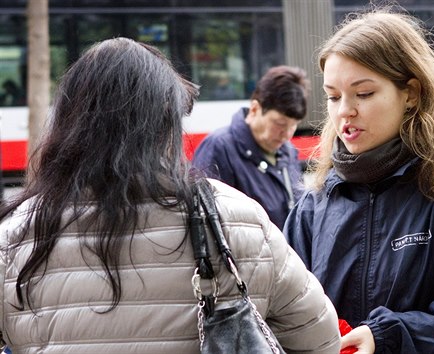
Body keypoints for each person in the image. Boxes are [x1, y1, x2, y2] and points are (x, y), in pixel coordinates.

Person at [0, 38, 340, 353]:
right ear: (168, 122)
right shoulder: (238, 220)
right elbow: (321, 340)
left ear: (66, 121)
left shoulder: (14, 237)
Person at [283, 10, 434, 353]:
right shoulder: (312, 207)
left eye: (363, 94)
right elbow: (285, 315)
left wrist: (387, 338)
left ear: (411, 93)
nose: (344, 111)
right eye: (334, 96)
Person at [192, 66, 308, 229]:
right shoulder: (219, 148)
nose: (287, 134)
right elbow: (205, 219)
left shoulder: (287, 152)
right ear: (255, 109)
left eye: (294, 126)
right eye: (280, 124)